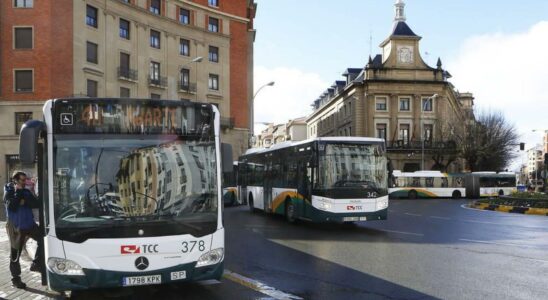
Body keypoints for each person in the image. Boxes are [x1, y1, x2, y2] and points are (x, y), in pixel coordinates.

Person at [3, 171, 44, 289]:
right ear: (15, 180)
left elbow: (35, 203)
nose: (25, 182)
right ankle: (16, 279)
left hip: (29, 224)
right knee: (15, 254)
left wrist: (23, 200)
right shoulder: (9, 191)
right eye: (22, 180)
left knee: (43, 237)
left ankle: (36, 263)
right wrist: (20, 194)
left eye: (26, 180)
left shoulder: (26, 191)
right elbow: (12, 206)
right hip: (16, 226)